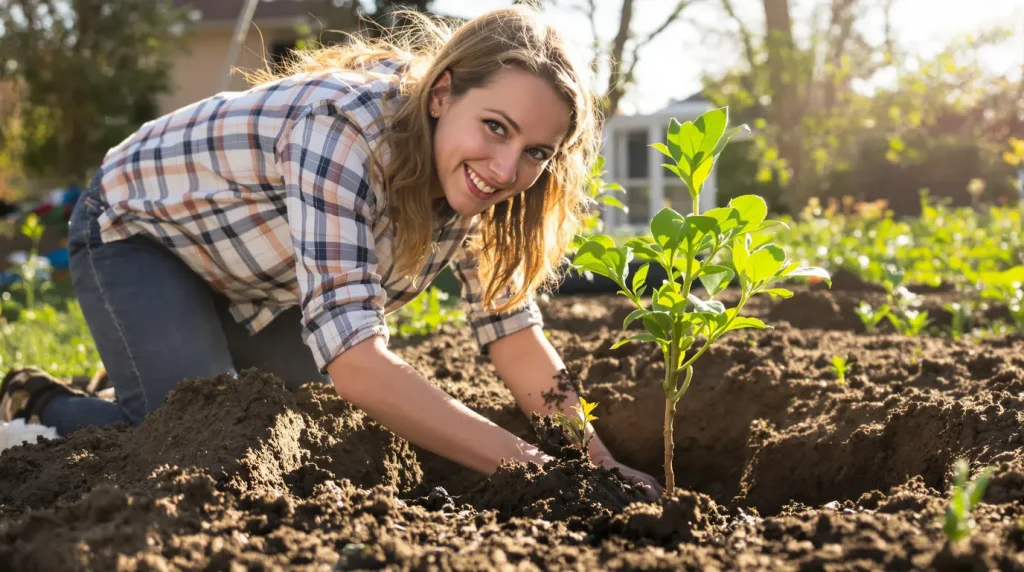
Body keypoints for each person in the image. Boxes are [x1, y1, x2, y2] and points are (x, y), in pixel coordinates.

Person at [0, 6, 662, 498]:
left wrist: (595, 464)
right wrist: (540, 474)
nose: (505, 167)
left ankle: (148, 367)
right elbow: (359, 365)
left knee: (285, 412)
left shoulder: (486, 185)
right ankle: (35, 404)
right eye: (496, 128)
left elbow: (513, 333)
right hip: (139, 229)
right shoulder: (344, 131)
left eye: (536, 153)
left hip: (254, 276)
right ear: (441, 95)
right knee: (199, 438)